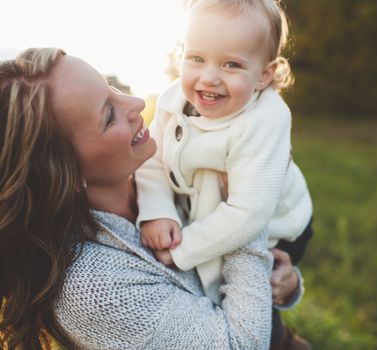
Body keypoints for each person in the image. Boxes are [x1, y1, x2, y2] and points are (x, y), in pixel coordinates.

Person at [0, 48, 303, 350]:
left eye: (112, 87)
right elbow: (241, 344)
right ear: (63, 173)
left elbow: (238, 269)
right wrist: (246, 203)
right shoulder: (89, 288)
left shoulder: (164, 165)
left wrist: (280, 284)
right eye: (109, 115)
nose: (136, 103)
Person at [135, 0, 313, 347]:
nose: (209, 77)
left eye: (232, 64)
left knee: (252, 286)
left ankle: (281, 341)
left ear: (264, 74)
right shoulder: (172, 100)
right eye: (196, 58)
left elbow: (248, 215)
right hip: (206, 206)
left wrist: (182, 251)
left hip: (278, 223)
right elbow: (152, 161)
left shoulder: (266, 119)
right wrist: (157, 211)